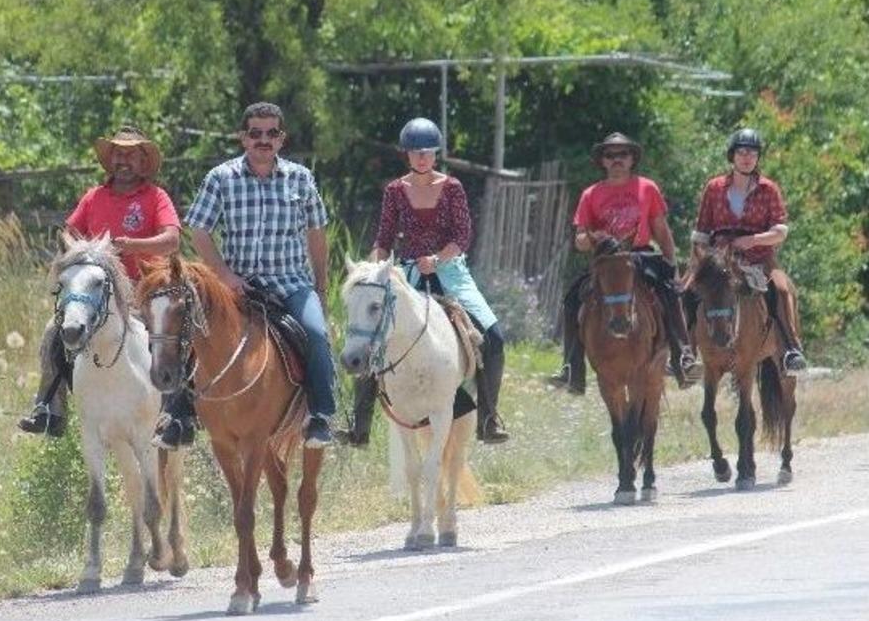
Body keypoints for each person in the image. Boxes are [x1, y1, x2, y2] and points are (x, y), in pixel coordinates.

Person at [158, 101, 335, 449]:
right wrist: (224, 275)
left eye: (272, 133)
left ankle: (321, 415)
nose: (263, 140)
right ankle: (180, 416)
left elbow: (316, 233)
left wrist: (321, 286)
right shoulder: (221, 177)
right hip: (237, 286)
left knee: (315, 332)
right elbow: (199, 230)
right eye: (255, 133)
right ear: (243, 137)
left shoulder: (301, 177)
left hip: (290, 283)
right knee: (192, 329)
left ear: (282, 138)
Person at [344, 117, 510, 447]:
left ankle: (489, 418)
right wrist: (373, 270)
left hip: (449, 270)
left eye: (428, 152)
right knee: (368, 335)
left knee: (494, 335)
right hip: (406, 273)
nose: (422, 158)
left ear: (436, 155)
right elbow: (384, 238)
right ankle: (359, 425)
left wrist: (436, 259)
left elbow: (462, 236)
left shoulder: (453, 188)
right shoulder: (394, 190)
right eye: (415, 152)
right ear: (406, 155)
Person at [18, 126, 187, 438]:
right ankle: (48, 408)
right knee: (52, 332)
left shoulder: (155, 197)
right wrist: (81, 250)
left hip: (143, 291)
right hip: (95, 293)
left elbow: (171, 240)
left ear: (142, 160)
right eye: (117, 154)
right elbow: (68, 233)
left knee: (174, 333)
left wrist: (132, 246)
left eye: (131, 154)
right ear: (110, 160)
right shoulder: (94, 197)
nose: (123, 160)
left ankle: (178, 413)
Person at [547, 132, 702, 394]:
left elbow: (661, 229)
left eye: (623, 155)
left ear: (632, 159)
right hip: (605, 260)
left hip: (640, 254)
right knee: (573, 298)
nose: (617, 160)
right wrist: (592, 239)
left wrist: (672, 264)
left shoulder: (647, 188)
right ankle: (571, 368)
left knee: (670, 293)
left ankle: (683, 356)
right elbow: (580, 238)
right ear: (603, 161)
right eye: (611, 155)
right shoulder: (590, 194)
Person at [688, 128, 807, 372]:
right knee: (686, 287)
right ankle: (685, 353)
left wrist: (752, 240)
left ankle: (791, 350)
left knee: (782, 289)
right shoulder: (714, 188)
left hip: (760, 257)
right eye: (741, 152)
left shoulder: (769, 189)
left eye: (752, 153)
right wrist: (699, 263)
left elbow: (780, 231)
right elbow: (701, 232)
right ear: (732, 156)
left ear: (757, 158)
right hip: (719, 260)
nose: (747, 157)